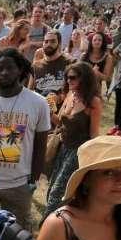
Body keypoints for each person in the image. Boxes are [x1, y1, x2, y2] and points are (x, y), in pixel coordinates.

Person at [0, 48, 51, 230]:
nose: (4, 72)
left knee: (15, 236)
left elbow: (40, 145)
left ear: (20, 70)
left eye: (10, 68)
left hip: (19, 186)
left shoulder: (38, 103)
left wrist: (33, 181)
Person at [45, 62, 103, 217]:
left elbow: (94, 135)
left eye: (73, 77)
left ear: (84, 79)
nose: (68, 81)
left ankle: (48, 225)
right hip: (62, 147)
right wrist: (49, 111)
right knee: (52, 187)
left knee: (57, 192)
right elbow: (60, 123)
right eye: (67, 77)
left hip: (78, 152)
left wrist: (92, 162)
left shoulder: (93, 102)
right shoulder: (70, 95)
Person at [30, 31, 72, 101]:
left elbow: (74, 91)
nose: (49, 44)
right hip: (40, 107)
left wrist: (58, 98)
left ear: (59, 44)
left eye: (53, 41)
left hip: (60, 109)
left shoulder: (69, 63)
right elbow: (30, 91)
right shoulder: (35, 66)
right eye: (46, 42)